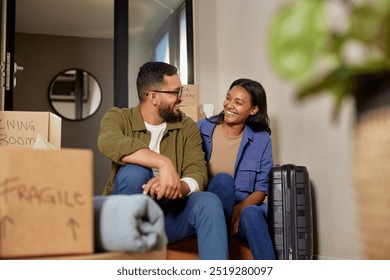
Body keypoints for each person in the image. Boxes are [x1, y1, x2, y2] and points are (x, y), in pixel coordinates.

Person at [97, 61, 228, 260]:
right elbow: (109, 142)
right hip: (125, 217)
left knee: (209, 201)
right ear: (153, 97)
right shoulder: (119, 117)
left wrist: (178, 186)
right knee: (135, 172)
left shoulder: (187, 127)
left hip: (169, 216)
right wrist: (163, 164)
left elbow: (197, 170)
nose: (181, 98)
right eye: (175, 92)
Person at [197, 78, 275, 260]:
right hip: (210, 206)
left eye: (238, 102)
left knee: (253, 213)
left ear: (254, 110)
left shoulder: (261, 139)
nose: (229, 105)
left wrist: (239, 210)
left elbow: (261, 189)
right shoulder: (202, 127)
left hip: (243, 207)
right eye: (228, 98)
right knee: (223, 180)